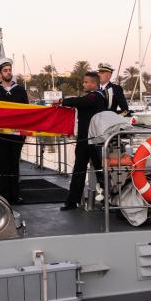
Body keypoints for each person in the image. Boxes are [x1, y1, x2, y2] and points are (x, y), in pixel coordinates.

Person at [56, 71, 106, 210]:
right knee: (79, 170)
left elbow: (80, 102)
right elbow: (80, 102)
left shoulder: (97, 97)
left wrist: (63, 101)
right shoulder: (92, 96)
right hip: (85, 139)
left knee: (100, 171)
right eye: (84, 82)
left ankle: (108, 199)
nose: (84, 84)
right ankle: (72, 201)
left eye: (86, 82)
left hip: (94, 140)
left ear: (95, 84)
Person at [0, 58, 30, 204]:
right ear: (0, 74)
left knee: (14, 164)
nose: (8, 72)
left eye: (9, 70)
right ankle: (4, 195)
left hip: (17, 134)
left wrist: (25, 132)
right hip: (1, 134)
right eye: (5, 71)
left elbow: (27, 111)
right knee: (3, 164)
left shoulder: (19, 90)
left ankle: (15, 194)